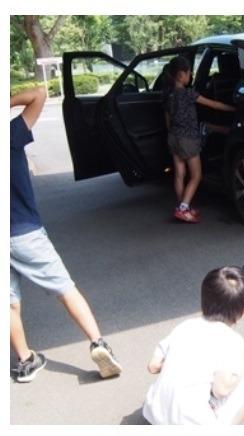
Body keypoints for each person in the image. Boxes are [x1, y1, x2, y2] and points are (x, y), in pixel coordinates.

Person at [10, 87, 122, 383]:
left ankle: (26, 361)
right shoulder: (11, 133)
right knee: (64, 288)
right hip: (24, 232)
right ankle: (98, 343)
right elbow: (39, 94)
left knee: (7, 303)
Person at [142, 266, 244, 425]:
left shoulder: (185, 326)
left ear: (204, 300)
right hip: (190, 423)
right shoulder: (232, 340)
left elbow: (153, 366)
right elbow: (221, 390)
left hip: (154, 415)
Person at [163, 56, 236, 223]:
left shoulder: (167, 96)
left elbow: (167, 122)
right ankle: (183, 209)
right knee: (196, 175)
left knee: (179, 175)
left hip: (173, 137)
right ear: (181, 74)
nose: (190, 75)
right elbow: (214, 105)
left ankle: (184, 207)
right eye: (190, 72)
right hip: (188, 139)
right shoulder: (188, 94)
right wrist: (234, 109)